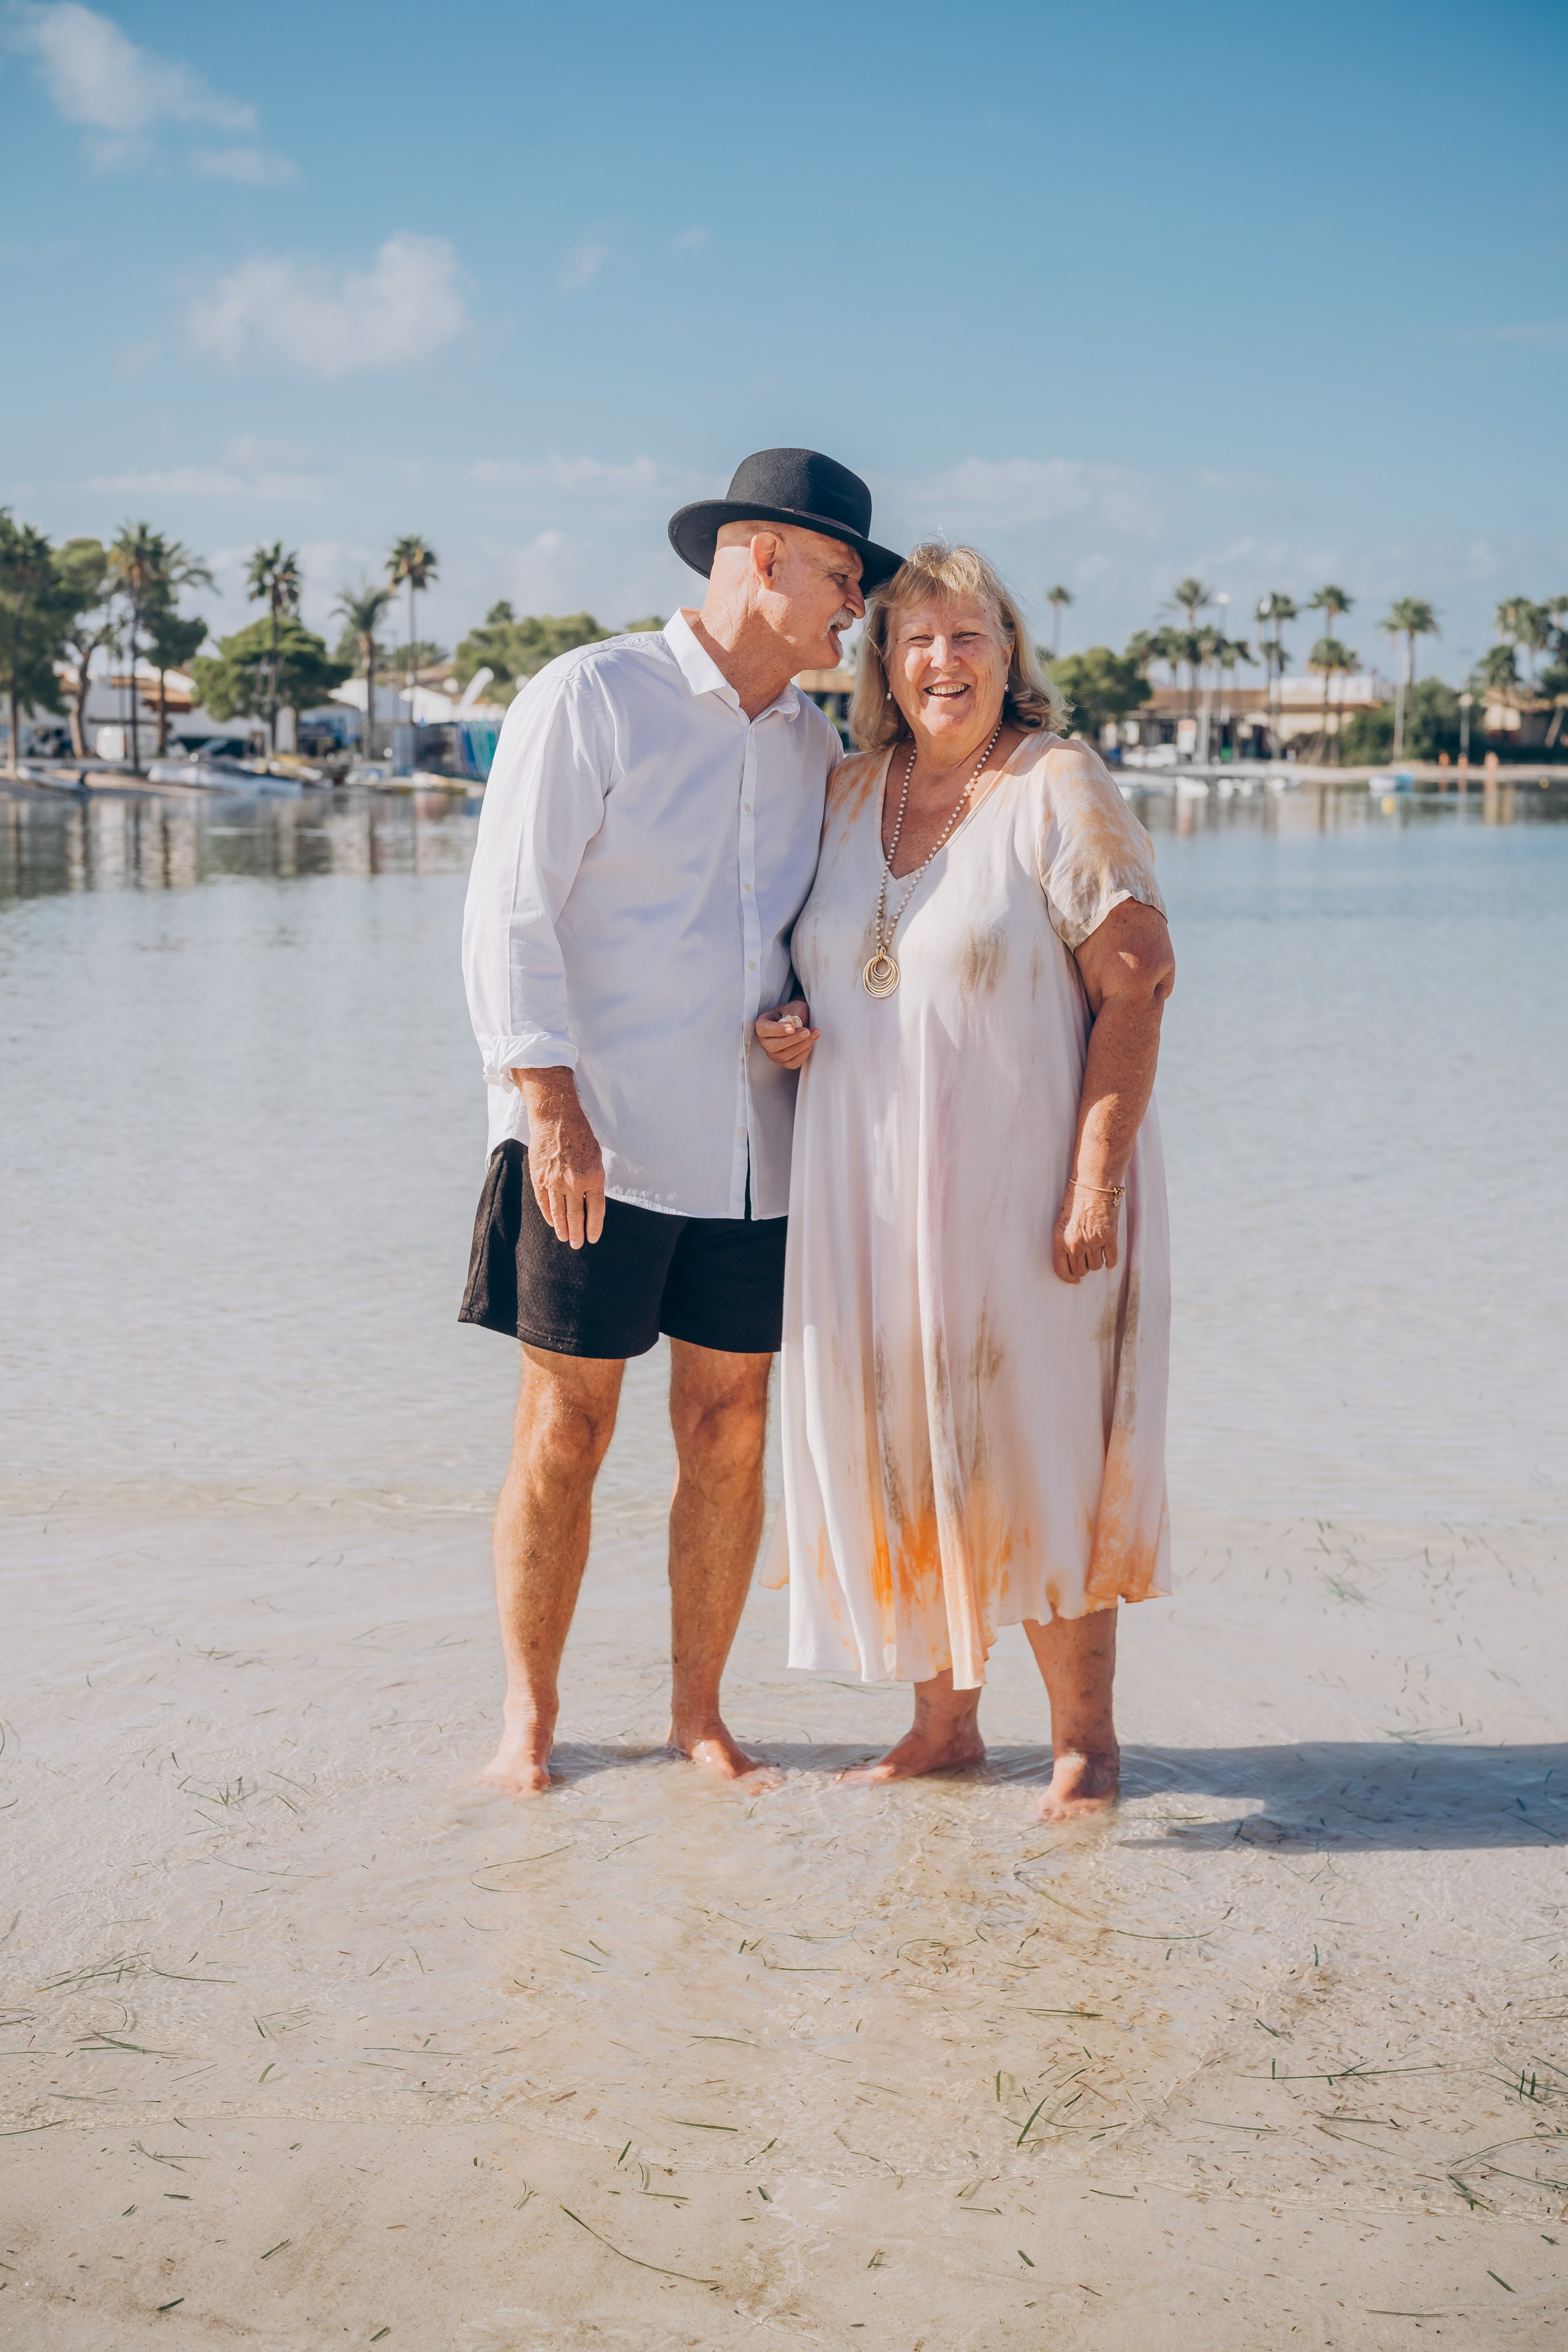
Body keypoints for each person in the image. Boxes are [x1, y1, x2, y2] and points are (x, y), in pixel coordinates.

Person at [459, 449, 903, 1796]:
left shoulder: (811, 743)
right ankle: (528, 1721)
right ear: (760, 556)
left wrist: (797, 1016)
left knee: (729, 1427)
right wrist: (549, 1104)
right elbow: (507, 912)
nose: (856, 614)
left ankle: (695, 1714)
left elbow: (792, 938)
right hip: (592, 1135)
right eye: (842, 578)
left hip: (754, 1155)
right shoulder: (592, 695)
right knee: (565, 1430)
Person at [757, 542, 1174, 1820]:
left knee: (1038, 1449)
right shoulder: (839, 792)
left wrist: (1092, 1179)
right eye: (916, 636)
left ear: (1008, 655)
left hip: (1021, 1189)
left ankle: (1084, 1748)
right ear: (884, 660)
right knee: (904, 1446)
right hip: (866, 1195)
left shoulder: (1054, 783)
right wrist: (790, 1025)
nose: (942, 659)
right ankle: (942, 1726)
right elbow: (823, 961)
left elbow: (1138, 977)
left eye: (968, 636)